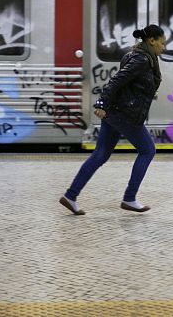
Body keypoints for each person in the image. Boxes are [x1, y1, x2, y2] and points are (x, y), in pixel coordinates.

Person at [60, 24, 166, 215]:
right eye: (162, 43)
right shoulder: (142, 60)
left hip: (114, 113)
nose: (163, 47)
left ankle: (70, 196)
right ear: (151, 41)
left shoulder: (133, 55)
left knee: (100, 154)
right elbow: (117, 80)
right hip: (126, 115)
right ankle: (130, 198)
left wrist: (106, 106)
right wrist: (101, 103)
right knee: (148, 150)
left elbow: (126, 85)